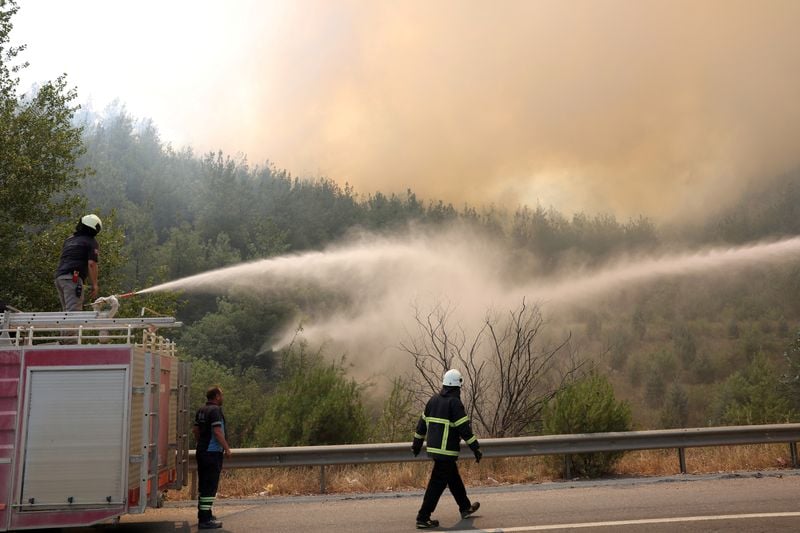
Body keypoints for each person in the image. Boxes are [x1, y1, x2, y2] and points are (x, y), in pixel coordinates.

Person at [412, 369, 482, 529]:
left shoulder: (433, 400)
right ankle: (423, 518)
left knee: (453, 479)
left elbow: (421, 425)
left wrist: (416, 445)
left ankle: (465, 507)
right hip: (446, 452)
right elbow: (464, 429)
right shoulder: (454, 403)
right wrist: (475, 448)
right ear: (457, 386)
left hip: (435, 450)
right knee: (436, 485)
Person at [193, 386, 232, 530]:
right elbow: (217, 432)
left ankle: (206, 514)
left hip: (202, 451)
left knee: (204, 485)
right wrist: (226, 448)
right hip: (212, 453)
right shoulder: (215, 411)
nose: (222, 398)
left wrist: (201, 443)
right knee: (210, 487)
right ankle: (204, 520)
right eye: (221, 395)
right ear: (216, 396)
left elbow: (195, 430)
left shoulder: (201, 410)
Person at [54, 214, 102, 311]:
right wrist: (94, 285)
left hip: (60, 278)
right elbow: (92, 264)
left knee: (67, 312)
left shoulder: (69, 240)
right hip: (72, 278)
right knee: (74, 313)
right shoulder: (91, 242)